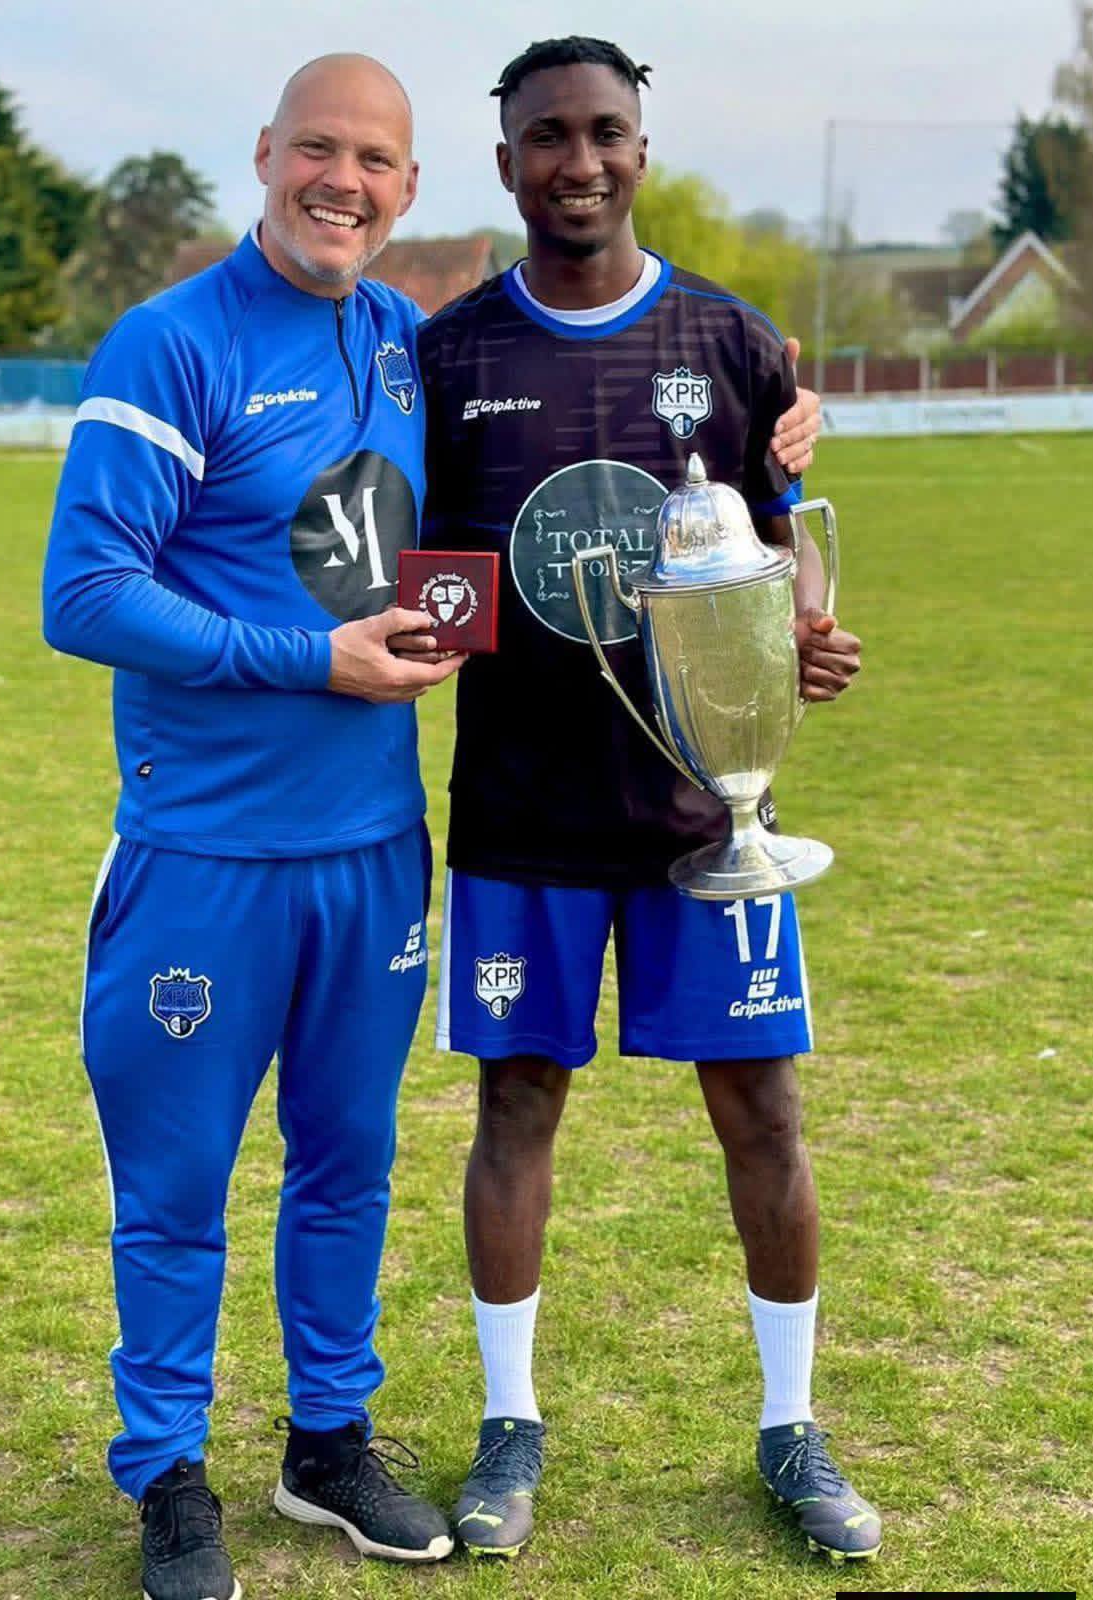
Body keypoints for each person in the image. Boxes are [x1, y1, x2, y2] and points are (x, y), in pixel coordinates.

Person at [413, 36, 878, 1566]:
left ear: (640, 149)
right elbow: (424, 585)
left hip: (703, 823)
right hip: (521, 821)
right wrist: (405, 629)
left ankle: (791, 1429)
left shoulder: (734, 343)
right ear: (505, 164)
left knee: (761, 1109)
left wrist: (802, 643)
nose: (578, 162)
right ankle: (507, 1427)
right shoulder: (451, 353)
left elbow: (785, 556)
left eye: (605, 132)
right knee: (514, 1104)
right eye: (546, 136)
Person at [42, 54, 469, 1600]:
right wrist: (312, 658)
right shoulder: (171, 343)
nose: (340, 182)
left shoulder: (409, 342)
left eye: (373, 159)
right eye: (316, 151)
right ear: (264, 155)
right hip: (203, 865)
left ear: (409, 188)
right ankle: (163, 1473)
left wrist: (773, 410)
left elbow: (487, 513)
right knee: (176, 1193)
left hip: (372, 854)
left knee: (346, 1166)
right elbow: (81, 595)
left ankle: (325, 1444)